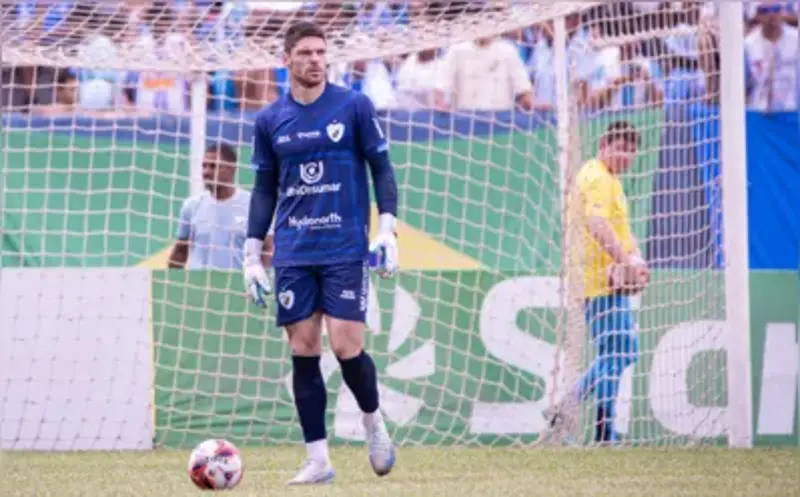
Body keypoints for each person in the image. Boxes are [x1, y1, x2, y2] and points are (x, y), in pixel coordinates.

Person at [242, 21, 399, 485]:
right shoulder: (270, 119)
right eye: (306, 53)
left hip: (344, 245)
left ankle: (373, 423)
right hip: (293, 250)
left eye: (321, 53)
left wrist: (387, 230)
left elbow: (382, 169)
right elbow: (263, 189)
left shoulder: (353, 106)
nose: (315, 60)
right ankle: (317, 459)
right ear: (287, 58)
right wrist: (252, 256)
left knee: (347, 345)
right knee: (302, 349)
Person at [548, 121, 649, 444]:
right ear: (604, 145)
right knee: (623, 351)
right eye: (621, 148)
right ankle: (569, 404)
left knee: (615, 354)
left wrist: (637, 258)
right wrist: (624, 260)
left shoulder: (611, 181)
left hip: (609, 281)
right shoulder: (595, 176)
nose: (626, 156)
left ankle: (604, 432)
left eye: (632, 151)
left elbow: (620, 227)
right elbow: (596, 222)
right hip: (597, 280)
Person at [169, 143, 272, 269]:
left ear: (231, 169)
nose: (206, 172)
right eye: (204, 166)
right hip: (199, 285)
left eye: (213, 166)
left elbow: (268, 249)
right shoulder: (191, 206)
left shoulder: (254, 205)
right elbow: (180, 252)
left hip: (240, 285)